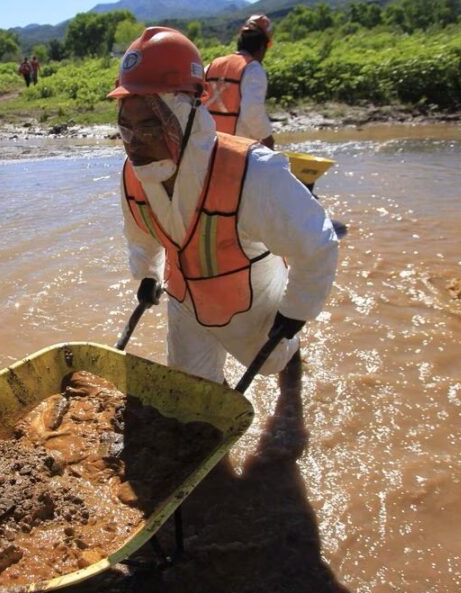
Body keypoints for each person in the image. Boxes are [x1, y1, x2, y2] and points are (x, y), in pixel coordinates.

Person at [109, 27, 338, 384]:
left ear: (184, 114)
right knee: (191, 391)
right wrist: (148, 275)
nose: (135, 142)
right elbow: (141, 234)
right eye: (128, 127)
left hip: (250, 301)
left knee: (274, 363)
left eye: (151, 125)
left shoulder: (254, 172)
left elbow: (318, 244)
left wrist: (297, 310)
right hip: (186, 300)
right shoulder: (132, 175)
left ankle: (292, 364)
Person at [204, 14, 275, 149]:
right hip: (237, 149)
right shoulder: (253, 69)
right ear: (262, 47)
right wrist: (267, 139)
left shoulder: (212, 65)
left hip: (208, 146)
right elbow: (252, 111)